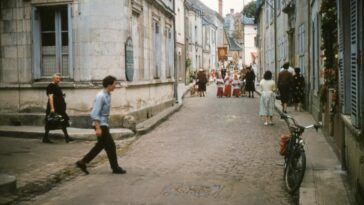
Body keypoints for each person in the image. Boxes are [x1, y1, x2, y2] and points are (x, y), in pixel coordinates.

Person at [76, 76, 126, 175]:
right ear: (109, 85)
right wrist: (98, 128)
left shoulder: (108, 94)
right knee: (111, 146)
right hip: (100, 125)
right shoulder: (101, 96)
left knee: (100, 146)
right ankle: (115, 168)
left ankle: (82, 162)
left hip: (104, 124)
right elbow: (95, 113)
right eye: (114, 84)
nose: (115, 86)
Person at [43, 73, 74, 143]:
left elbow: (57, 95)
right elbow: (50, 97)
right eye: (57, 78)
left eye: (59, 78)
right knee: (50, 121)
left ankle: (67, 137)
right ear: (53, 79)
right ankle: (45, 138)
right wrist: (52, 108)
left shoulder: (56, 86)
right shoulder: (50, 86)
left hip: (59, 108)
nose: (58, 80)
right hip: (54, 107)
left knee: (62, 121)